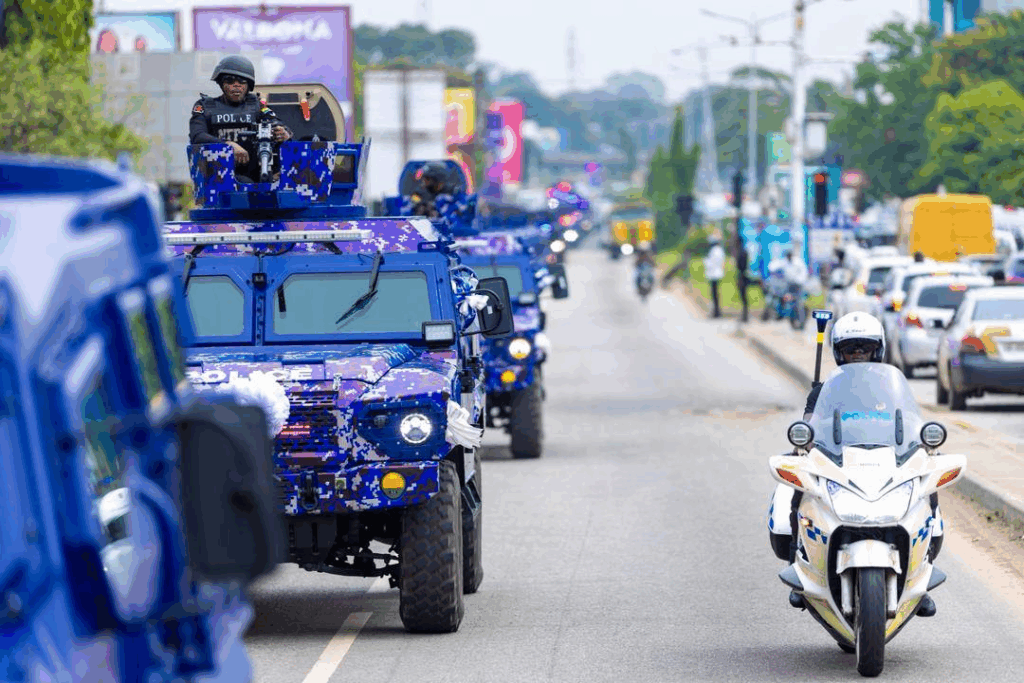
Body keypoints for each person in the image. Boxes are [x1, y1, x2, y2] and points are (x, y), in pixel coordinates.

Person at [780, 312, 939, 617]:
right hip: (840, 459)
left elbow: (909, 418)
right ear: (839, 353)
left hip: (886, 458)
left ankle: (923, 573)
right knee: (799, 495)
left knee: (927, 495)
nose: (857, 354)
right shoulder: (824, 391)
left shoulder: (890, 387)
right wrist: (806, 442)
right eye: (851, 348)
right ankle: (796, 565)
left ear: (876, 350)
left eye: (863, 348)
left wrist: (920, 443)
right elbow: (809, 425)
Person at [189, 55, 292, 183]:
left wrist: (283, 132)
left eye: (242, 81)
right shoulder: (205, 106)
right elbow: (197, 136)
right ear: (221, 83)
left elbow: (274, 121)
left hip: (257, 176)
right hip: (219, 179)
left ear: (248, 85)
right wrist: (228, 145)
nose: (236, 86)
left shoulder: (255, 105)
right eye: (230, 81)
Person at [704, 231, 725, 318]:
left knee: (714, 294)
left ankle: (716, 312)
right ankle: (716, 311)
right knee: (715, 294)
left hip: (714, 274)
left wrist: (705, 261)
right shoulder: (719, 250)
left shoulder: (715, 251)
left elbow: (711, 263)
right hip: (716, 273)